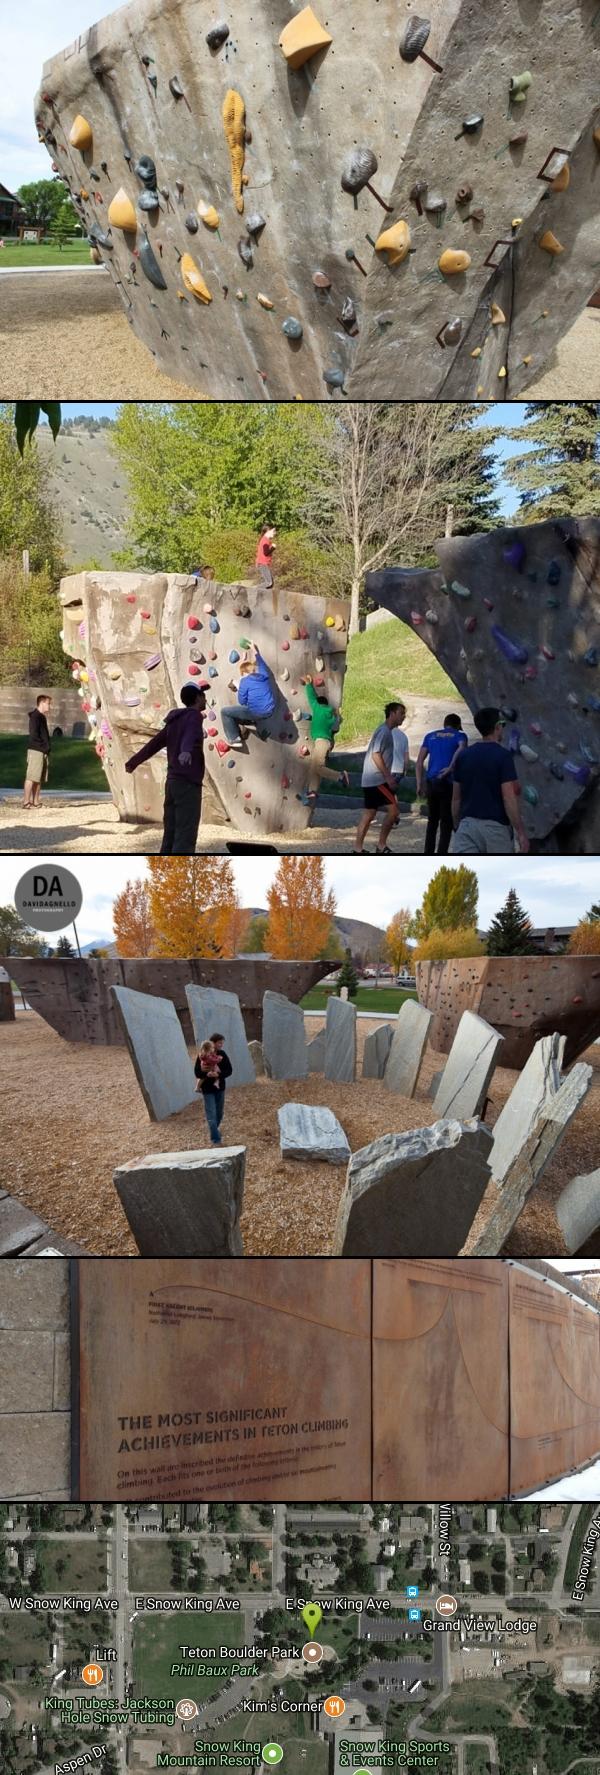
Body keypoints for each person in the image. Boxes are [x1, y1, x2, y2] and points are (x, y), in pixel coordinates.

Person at [125, 682, 206, 854]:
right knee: (186, 832)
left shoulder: (174, 721)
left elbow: (154, 744)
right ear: (198, 698)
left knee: (171, 830)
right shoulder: (194, 716)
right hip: (187, 782)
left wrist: (133, 762)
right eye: (203, 695)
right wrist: (186, 751)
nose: (205, 698)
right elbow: (191, 734)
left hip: (172, 783)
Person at [450, 706, 530, 854]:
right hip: (496, 828)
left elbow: (456, 799)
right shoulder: (503, 756)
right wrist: (520, 832)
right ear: (497, 727)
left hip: (467, 826)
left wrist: (457, 825)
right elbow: (508, 798)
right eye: (502, 725)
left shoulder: (464, 756)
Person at [354, 701, 407, 855]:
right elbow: (375, 754)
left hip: (371, 779)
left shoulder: (385, 731)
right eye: (401, 713)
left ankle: (358, 849)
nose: (403, 717)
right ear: (392, 714)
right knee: (394, 811)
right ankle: (381, 846)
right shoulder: (384, 731)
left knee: (369, 814)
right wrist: (388, 777)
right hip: (377, 780)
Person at [416, 712, 468, 855]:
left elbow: (419, 761)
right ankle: (442, 852)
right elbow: (462, 747)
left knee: (432, 821)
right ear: (458, 725)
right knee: (446, 821)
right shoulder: (460, 735)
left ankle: (428, 852)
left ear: (444, 724)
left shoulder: (430, 736)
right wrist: (451, 766)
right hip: (449, 782)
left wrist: (419, 783)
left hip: (432, 781)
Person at [301, 676, 350, 802]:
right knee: (314, 767)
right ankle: (313, 791)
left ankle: (340, 776)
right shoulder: (331, 715)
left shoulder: (317, 708)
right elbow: (336, 726)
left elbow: (311, 697)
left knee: (318, 767)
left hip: (321, 742)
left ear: (319, 703)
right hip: (326, 742)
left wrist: (308, 684)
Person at [220, 642, 276, 747]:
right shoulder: (263, 675)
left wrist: (241, 685)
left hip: (257, 713)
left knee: (225, 712)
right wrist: (253, 648)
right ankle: (251, 723)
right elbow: (260, 660)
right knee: (248, 708)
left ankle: (234, 739)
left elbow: (242, 702)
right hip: (270, 710)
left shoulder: (244, 682)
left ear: (244, 674)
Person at [194, 1033, 233, 1145]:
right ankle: (216, 1140)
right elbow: (197, 1072)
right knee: (211, 1115)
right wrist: (206, 1073)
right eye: (219, 1043)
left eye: (222, 1043)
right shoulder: (202, 1055)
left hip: (220, 1088)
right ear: (213, 1043)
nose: (221, 1045)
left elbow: (229, 1070)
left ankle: (214, 1130)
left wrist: (218, 1074)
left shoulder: (222, 1054)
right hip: (207, 1089)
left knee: (219, 1113)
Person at [24, 693, 53, 807]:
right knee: (31, 777)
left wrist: (46, 749)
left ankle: (35, 801)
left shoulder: (42, 717)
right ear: (42, 703)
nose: (49, 706)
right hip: (36, 750)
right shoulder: (35, 717)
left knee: (38, 778)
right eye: (48, 704)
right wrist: (42, 747)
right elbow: (34, 735)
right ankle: (26, 801)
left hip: (42, 751)